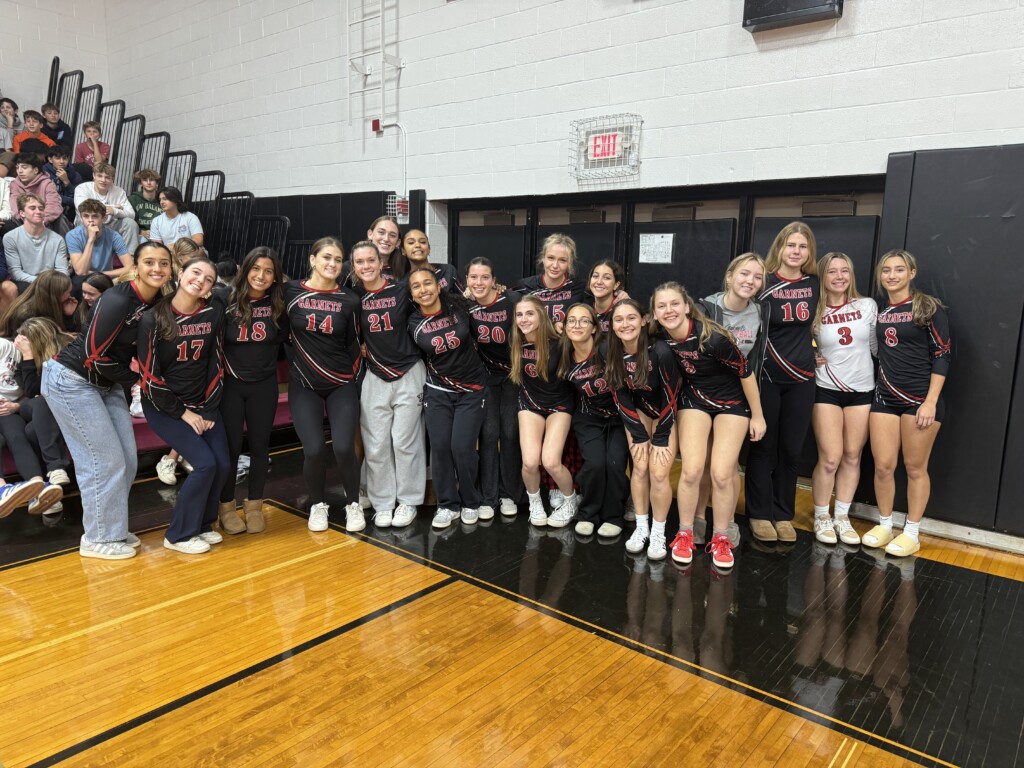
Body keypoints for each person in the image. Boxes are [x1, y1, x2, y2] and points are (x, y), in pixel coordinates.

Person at [41, 242, 173, 559]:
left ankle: (111, 528)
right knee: (103, 462)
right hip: (72, 380)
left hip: (108, 383)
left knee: (126, 461)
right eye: (150, 262)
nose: (157, 269)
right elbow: (92, 355)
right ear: (136, 266)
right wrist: (139, 382)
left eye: (164, 263)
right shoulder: (117, 298)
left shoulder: (160, 301)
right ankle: (98, 538)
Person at [651, 282, 766, 570]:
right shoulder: (660, 340)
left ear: (687, 306)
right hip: (696, 401)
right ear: (653, 314)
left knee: (721, 473)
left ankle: (722, 536)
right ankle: (685, 533)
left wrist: (758, 416)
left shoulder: (712, 337)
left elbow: (746, 372)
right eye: (661, 306)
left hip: (732, 402)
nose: (669, 310)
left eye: (674, 303)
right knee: (690, 470)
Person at [137, 257, 228, 555]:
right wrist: (184, 413)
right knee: (204, 464)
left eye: (209, 279)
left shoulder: (214, 313)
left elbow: (216, 362)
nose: (201, 280)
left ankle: (203, 523)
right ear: (180, 274)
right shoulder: (154, 318)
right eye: (196, 273)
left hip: (202, 405)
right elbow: (149, 378)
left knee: (223, 464)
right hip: (165, 407)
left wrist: (208, 409)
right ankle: (177, 535)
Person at [863, 250, 950, 557]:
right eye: (886, 270)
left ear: (912, 273)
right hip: (884, 397)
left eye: (899, 269)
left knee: (915, 468)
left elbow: (942, 355)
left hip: (919, 401)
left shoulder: (928, 307)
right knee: (884, 466)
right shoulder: (879, 310)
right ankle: (885, 524)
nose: (892, 275)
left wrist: (930, 402)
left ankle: (912, 531)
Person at [745, 221, 819, 544]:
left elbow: (823, 322)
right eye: (791, 245)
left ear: (809, 252)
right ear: (780, 247)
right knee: (763, 448)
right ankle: (759, 513)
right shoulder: (764, 283)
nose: (796, 251)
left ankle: (783, 513)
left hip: (802, 379)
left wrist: (821, 351)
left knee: (791, 450)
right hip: (767, 377)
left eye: (803, 247)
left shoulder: (816, 284)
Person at [286, 237, 362, 532]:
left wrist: (350, 379)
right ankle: (318, 504)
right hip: (303, 383)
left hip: (340, 382)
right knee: (314, 449)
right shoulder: (291, 290)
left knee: (344, 447)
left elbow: (355, 345)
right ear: (312, 259)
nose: (332, 264)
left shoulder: (350, 299)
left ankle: (353, 503)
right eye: (326, 257)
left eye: (338, 259)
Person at [694, 252, 769, 544]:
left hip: (737, 398)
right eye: (744, 274)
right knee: (699, 465)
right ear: (729, 277)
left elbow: (756, 361)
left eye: (757, 276)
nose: (750, 281)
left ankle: (727, 523)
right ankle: (699, 517)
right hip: (701, 396)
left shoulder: (761, 312)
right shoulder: (705, 309)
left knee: (724, 469)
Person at [351, 238, 425, 529]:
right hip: (375, 374)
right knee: (377, 443)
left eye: (371, 260)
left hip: (409, 371)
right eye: (360, 262)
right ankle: (382, 503)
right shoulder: (353, 298)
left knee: (405, 441)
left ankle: (408, 501)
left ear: (381, 262)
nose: (366, 266)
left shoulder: (402, 289)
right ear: (354, 267)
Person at [408, 266, 488, 529]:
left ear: (438, 285)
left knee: (462, 448)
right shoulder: (412, 322)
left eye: (427, 283)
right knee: (440, 448)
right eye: (416, 286)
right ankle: (447, 504)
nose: (423, 290)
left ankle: (470, 501)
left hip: (471, 389)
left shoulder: (460, 306)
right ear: (411, 293)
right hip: (438, 390)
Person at [218, 246, 286, 535]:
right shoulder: (224, 298)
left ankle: (255, 503)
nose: (261, 275)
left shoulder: (279, 303)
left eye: (268, 271)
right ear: (245, 270)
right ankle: (226, 507)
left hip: (264, 385)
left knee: (260, 447)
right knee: (231, 449)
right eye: (256, 268)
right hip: (231, 386)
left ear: (275, 277)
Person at [606, 299, 680, 560]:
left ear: (643, 320)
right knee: (639, 466)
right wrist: (639, 434)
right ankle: (641, 527)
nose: (625, 324)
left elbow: (672, 395)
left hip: (664, 410)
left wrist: (660, 437)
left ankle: (659, 532)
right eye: (619, 319)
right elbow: (620, 395)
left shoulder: (660, 350)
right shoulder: (610, 350)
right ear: (612, 325)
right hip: (638, 410)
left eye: (631, 318)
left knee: (659, 473)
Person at [811, 252, 877, 547]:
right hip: (827, 389)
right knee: (831, 457)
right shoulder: (814, 310)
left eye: (845, 271)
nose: (839, 276)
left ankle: (842, 515)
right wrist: (811, 356)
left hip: (862, 390)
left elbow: (877, 347)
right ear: (822, 276)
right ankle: (821, 515)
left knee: (852, 455)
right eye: (832, 271)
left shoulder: (867, 306)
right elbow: (801, 344)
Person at [559, 302, 628, 537]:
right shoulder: (563, 357)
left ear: (594, 328)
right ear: (565, 326)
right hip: (589, 417)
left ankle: (613, 515)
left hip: (619, 417)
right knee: (596, 464)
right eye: (572, 320)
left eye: (584, 321)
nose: (577, 325)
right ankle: (588, 513)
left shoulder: (607, 349)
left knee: (615, 464)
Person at [510, 295, 578, 528]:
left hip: (559, 404)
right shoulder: (516, 341)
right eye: (519, 314)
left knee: (550, 461)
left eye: (530, 314)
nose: (524, 319)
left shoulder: (559, 340)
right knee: (529, 462)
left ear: (541, 316)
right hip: (530, 403)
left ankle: (570, 501)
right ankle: (535, 502)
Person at [466, 256, 522, 518]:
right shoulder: (464, 306)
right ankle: (488, 497)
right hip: (485, 377)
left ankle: (508, 493)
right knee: (488, 435)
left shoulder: (511, 302)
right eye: (474, 277)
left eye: (484, 277)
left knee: (510, 434)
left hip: (512, 376)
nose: (479, 282)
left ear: (494, 281)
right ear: (467, 280)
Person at [10, 317, 74, 523]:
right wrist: (28, 356)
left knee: (30, 431)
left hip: (67, 405)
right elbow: (31, 391)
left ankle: (47, 493)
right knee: (40, 403)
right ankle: (55, 467)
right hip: (35, 406)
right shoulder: (24, 357)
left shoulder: (67, 348)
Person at [514, 233, 590, 328]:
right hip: (536, 342)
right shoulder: (524, 286)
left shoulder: (580, 287)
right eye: (551, 258)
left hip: (566, 342)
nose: (555, 265)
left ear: (569, 263)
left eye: (562, 260)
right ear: (543, 258)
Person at [2, 194, 69, 293]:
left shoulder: (58, 239)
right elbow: (16, 272)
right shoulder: (10, 237)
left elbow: (62, 270)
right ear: (22, 213)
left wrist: (51, 282)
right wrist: (41, 282)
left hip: (51, 281)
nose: (38, 211)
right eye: (32, 208)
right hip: (25, 282)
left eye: (41, 209)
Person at [73, 162, 139, 253]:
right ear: (94, 176)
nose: (103, 180)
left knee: (130, 223)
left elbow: (132, 214)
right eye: (100, 176)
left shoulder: (119, 192)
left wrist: (115, 211)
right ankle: (81, 255)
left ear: (112, 179)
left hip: (111, 224)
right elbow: (83, 208)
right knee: (85, 220)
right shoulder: (82, 188)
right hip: (89, 223)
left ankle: (130, 257)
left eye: (107, 177)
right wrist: (114, 206)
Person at [66, 198, 133, 280]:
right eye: (86, 216)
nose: (90, 221)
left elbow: (130, 268)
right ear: (81, 218)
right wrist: (91, 240)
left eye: (95, 216)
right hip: (82, 279)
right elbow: (81, 272)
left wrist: (98, 275)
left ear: (104, 219)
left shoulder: (114, 236)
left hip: (106, 279)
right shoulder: (73, 236)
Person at [0, 270, 79, 336]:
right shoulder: (26, 315)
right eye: (68, 292)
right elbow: (37, 344)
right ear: (56, 294)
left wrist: (69, 315)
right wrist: (63, 337)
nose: (70, 295)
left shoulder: (54, 304)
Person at [8, 154, 63, 227]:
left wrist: (40, 220)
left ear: (36, 170)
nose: (20, 171)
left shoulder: (47, 184)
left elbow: (53, 205)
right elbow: (14, 205)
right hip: (22, 220)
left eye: (24, 167)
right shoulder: (15, 184)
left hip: (44, 221)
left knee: (59, 219)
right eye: (17, 168)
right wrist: (26, 220)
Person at [589, 258, 629, 333]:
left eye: (607, 278)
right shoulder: (585, 306)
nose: (599, 282)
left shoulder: (623, 308)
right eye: (595, 276)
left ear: (616, 284)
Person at [43, 145, 81, 220]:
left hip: (69, 211)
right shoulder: (43, 173)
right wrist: (70, 201)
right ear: (50, 159)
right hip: (48, 207)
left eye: (64, 158)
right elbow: (45, 196)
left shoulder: (74, 174)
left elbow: (78, 197)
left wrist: (66, 181)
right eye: (57, 158)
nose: (61, 161)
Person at [128, 169, 162, 240]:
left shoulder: (162, 200)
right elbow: (128, 221)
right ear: (141, 183)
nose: (148, 183)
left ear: (157, 183)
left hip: (159, 235)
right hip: (139, 235)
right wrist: (141, 231)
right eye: (145, 180)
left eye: (152, 180)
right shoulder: (133, 199)